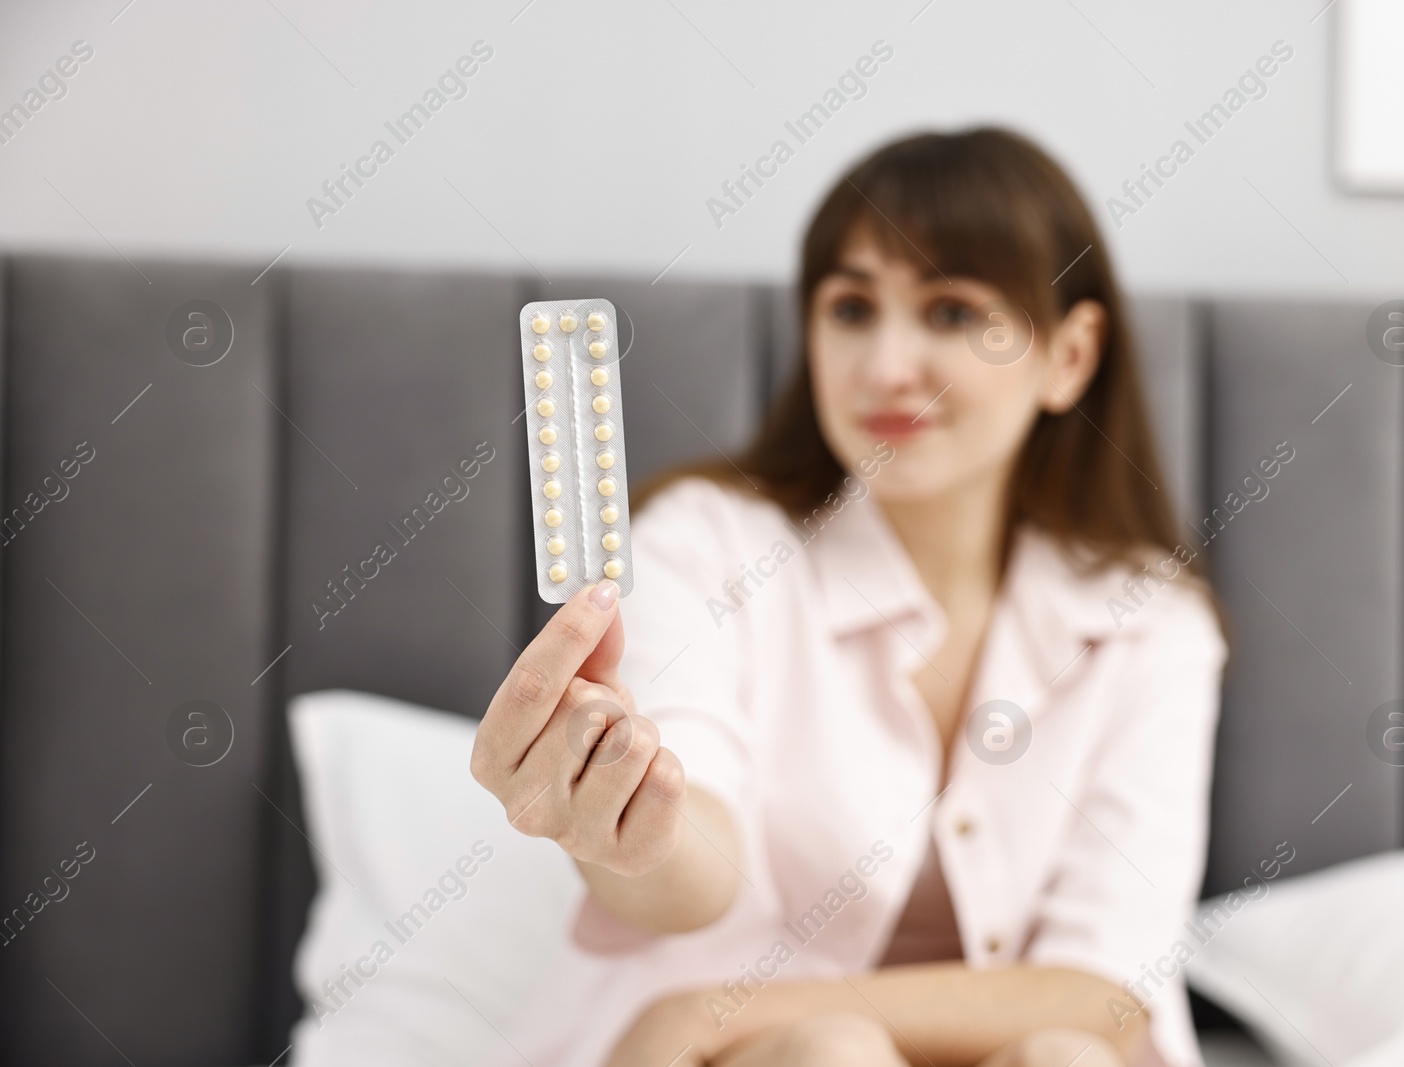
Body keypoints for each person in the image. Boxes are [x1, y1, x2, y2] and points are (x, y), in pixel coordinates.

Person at [471, 127, 1229, 1067]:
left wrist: (710, 1014)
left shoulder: (1150, 624)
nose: (885, 365)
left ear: (1070, 356)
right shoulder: (705, 543)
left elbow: (1106, 995)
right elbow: (698, 863)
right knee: (835, 1051)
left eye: (952, 312)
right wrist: (621, 821)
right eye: (852, 307)